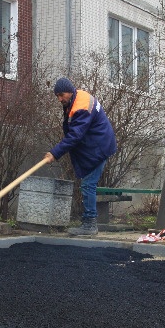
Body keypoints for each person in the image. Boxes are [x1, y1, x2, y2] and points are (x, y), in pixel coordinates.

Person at [44, 78, 117, 236]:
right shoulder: (77, 99)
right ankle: (88, 221)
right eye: (57, 96)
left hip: (100, 147)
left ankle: (90, 224)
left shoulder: (81, 106)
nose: (59, 99)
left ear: (70, 91)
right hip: (98, 144)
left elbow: (75, 136)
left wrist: (55, 153)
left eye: (61, 95)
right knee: (88, 184)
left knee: (88, 184)